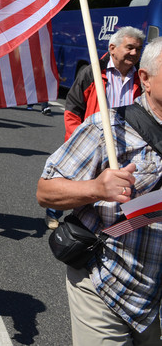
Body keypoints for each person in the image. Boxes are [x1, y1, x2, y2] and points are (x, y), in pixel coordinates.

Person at [36, 36, 162, 345]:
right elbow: (45, 191)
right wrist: (96, 187)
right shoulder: (108, 127)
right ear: (144, 79)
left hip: (155, 299)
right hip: (106, 284)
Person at [42, 26, 146, 230]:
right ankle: (54, 212)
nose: (134, 53)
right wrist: (77, 140)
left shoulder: (141, 78)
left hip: (125, 143)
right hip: (89, 141)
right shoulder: (92, 72)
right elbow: (73, 108)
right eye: (130, 47)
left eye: (138, 49)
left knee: (113, 183)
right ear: (113, 48)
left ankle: (102, 222)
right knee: (73, 180)